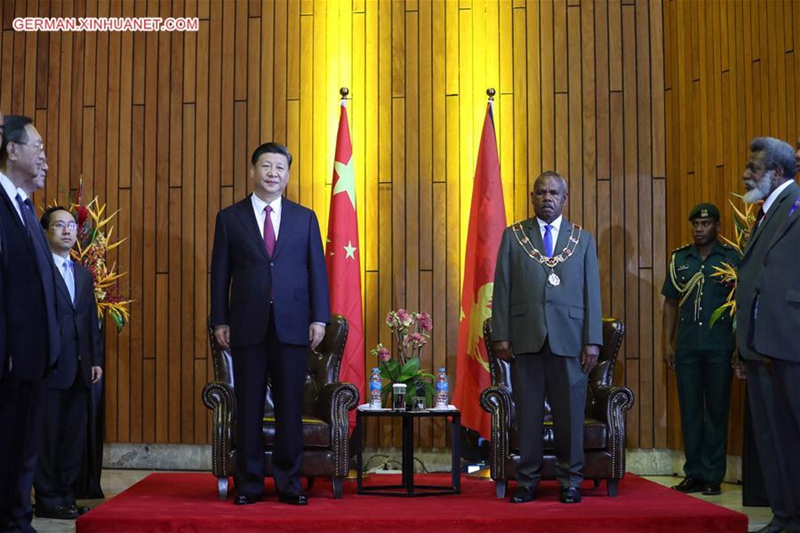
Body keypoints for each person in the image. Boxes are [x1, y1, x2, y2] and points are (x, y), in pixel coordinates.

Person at [209, 142, 329, 506]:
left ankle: (290, 484)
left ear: (288, 175)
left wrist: (319, 318)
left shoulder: (304, 217)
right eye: (266, 166)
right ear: (253, 171)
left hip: (293, 326)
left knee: (290, 406)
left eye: (280, 167)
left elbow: (317, 272)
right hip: (246, 325)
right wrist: (219, 320)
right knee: (247, 407)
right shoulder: (230, 218)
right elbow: (220, 275)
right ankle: (249, 484)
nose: (273, 173)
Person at [491, 171, 603, 504]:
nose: (547, 198)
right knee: (527, 414)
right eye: (541, 193)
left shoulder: (581, 239)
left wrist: (592, 340)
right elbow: (503, 289)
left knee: (570, 413)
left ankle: (571, 481)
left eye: (554, 193)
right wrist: (502, 335)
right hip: (526, 337)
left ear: (565, 199)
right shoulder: (514, 236)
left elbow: (591, 294)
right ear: (532, 196)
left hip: (570, 339)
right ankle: (527, 481)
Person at [736, 137, 800, 533]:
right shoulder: (765, 212)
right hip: (759, 344)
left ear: (776, 173)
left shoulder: (795, 207)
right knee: (771, 435)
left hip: (790, 341)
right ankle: (786, 515)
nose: (746, 174)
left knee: (791, 433)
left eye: (753, 168)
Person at [0, 115, 60, 532]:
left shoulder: (26, 209)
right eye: (37, 146)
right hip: (7, 355)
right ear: (12, 149)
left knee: (24, 450)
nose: (44, 155)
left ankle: (18, 520)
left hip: (34, 357)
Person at [661, 203, 739, 496]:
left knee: (717, 411)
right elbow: (670, 303)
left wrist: (739, 347)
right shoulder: (680, 258)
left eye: (705, 224)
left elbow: (740, 305)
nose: (699, 229)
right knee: (690, 411)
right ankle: (693, 472)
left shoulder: (731, 258)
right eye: (695, 224)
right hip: (688, 348)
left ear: (716, 226)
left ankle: (713, 476)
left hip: (720, 348)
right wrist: (666, 343)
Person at [33, 205, 103, 520]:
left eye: (72, 225)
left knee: (73, 435)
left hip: (80, 367)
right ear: (44, 232)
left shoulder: (83, 274)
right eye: (59, 225)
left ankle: (66, 495)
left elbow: (89, 321)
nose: (67, 231)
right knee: (47, 436)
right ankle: (47, 498)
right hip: (48, 366)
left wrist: (95, 359)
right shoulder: (37, 269)